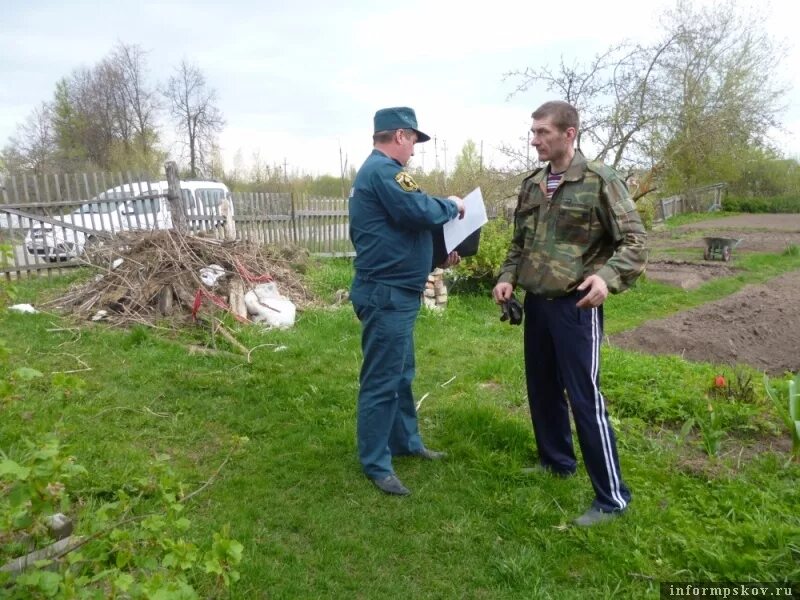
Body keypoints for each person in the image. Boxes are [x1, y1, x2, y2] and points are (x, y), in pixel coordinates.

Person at [492, 100, 647, 526]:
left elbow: (635, 241)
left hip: (576, 305)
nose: (534, 139)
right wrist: (508, 276)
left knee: (584, 398)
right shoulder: (532, 185)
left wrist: (607, 279)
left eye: (543, 132)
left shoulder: (599, 181)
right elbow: (518, 243)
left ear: (569, 133)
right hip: (538, 305)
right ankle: (557, 460)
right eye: (534, 132)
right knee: (542, 388)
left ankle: (612, 498)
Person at [349, 106, 465, 496]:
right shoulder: (384, 172)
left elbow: (400, 230)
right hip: (387, 294)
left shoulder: (382, 174)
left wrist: (436, 255)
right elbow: (417, 209)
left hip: (396, 291)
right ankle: (376, 463)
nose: (414, 149)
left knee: (401, 375)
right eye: (413, 139)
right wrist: (453, 205)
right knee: (382, 381)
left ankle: (406, 442)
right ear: (399, 135)